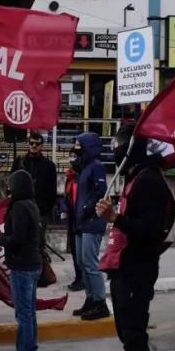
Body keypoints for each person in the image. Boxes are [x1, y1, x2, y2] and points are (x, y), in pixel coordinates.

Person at [96, 125, 175, 351]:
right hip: (125, 266)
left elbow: (151, 229)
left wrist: (115, 218)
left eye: (118, 146)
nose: (115, 152)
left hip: (137, 270)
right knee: (130, 334)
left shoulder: (148, 182)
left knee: (134, 335)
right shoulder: (136, 178)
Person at [0, 170, 43, 351]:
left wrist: (0, 239)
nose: (9, 189)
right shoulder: (31, 204)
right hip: (33, 264)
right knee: (29, 312)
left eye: (11, 185)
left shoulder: (18, 207)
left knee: (23, 313)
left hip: (22, 266)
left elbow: (17, 238)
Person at [71, 133, 109, 321]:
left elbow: (100, 192)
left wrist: (87, 209)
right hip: (81, 221)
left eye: (78, 144)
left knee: (90, 263)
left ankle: (100, 302)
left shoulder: (96, 167)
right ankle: (90, 298)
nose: (75, 147)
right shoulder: (83, 167)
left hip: (92, 222)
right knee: (81, 263)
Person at [10, 131, 57, 250]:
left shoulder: (49, 165)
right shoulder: (19, 162)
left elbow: (52, 191)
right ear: (28, 144)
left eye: (37, 144)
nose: (34, 146)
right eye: (32, 143)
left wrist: (42, 210)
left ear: (42, 146)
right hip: (19, 210)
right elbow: (11, 185)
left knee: (37, 245)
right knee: (19, 243)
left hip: (40, 212)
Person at [59, 149, 83, 294]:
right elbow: (66, 196)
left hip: (81, 218)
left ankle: (83, 279)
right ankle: (78, 277)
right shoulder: (70, 176)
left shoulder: (83, 175)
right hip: (72, 217)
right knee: (74, 250)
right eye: (70, 157)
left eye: (75, 156)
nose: (72, 159)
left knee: (82, 253)